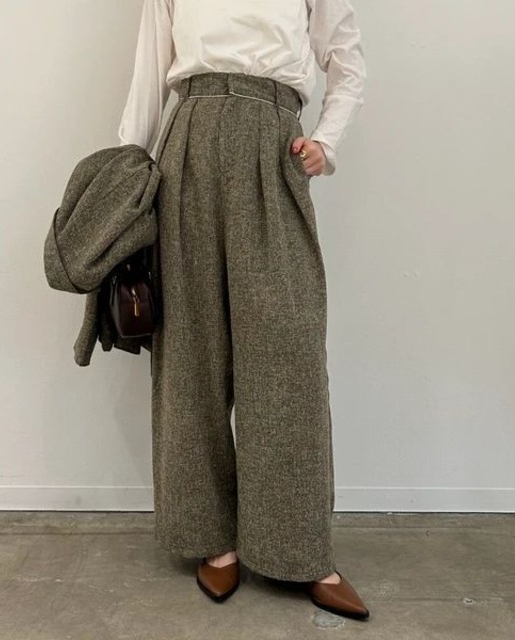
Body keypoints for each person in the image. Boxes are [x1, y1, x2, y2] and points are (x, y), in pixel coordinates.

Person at [118, 0, 368, 621]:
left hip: (274, 142)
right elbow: (149, 75)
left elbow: (348, 61)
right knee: (193, 355)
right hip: (189, 141)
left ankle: (300, 547)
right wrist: (126, 181)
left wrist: (327, 142)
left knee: (288, 360)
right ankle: (212, 538)